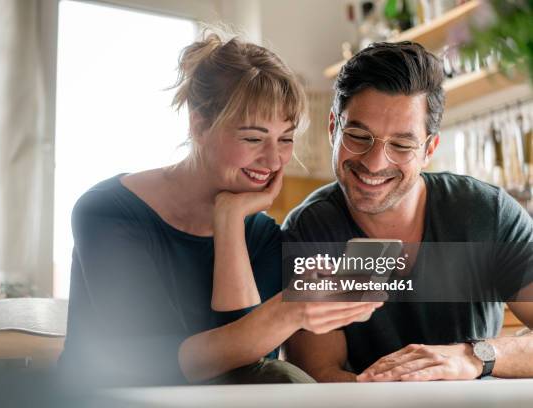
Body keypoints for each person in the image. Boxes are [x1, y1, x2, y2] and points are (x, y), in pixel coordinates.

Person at [59, 29, 382, 387]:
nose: (274, 159)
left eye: (285, 139)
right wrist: (286, 313)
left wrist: (228, 221)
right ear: (199, 126)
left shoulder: (261, 236)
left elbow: (245, 371)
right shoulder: (106, 213)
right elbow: (149, 364)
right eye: (253, 138)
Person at [283, 41, 533, 382]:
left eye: (401, 145)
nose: (374, 163)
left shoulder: (485, 214)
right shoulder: (313, 231)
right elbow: (322, 377)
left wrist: (473, 355)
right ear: (333, 129)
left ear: (429, 149)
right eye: (358, 136)